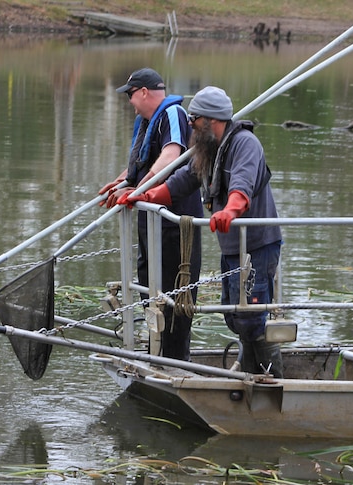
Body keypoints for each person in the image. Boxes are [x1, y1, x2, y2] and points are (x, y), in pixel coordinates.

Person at [119, 86, 283, 377]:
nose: (191, 127)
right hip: (232, 246)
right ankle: (250, 372)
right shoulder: (209, 149)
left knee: (251, 317)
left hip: (256, 246)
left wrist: (230, 211)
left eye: (194, 120)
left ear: (211, 120)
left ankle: (273, 381)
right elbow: (183, 180)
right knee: (234, 315)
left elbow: (241, 187)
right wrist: (144, 195)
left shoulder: (245, 144)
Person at [98, 68, 203, 361]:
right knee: (148, 284)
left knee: (175, 293)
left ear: (144, 92)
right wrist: (122, 183)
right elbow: (142, 164)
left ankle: (175, 359)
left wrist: (136, 191)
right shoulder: (146, 121)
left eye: (131, 95)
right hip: (150, 220)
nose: (130, 101)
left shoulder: (172, 114)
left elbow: (170, 156)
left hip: (175, 222)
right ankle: (156, 349)